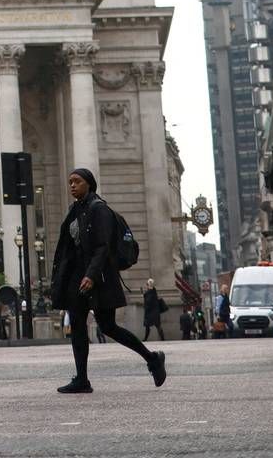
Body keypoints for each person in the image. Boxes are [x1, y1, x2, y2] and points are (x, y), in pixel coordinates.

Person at [49, 168, 165, 394]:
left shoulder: (98, 209)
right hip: (76, 278)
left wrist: (91, 275)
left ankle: (152, 358)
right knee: (78, 328)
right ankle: (81, 379)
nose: (72, 185)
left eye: (77, 182)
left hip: (98, 277)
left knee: (108, 326)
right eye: (70, 182)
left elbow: (103, 247)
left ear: (89, 184)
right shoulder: (75, 210)